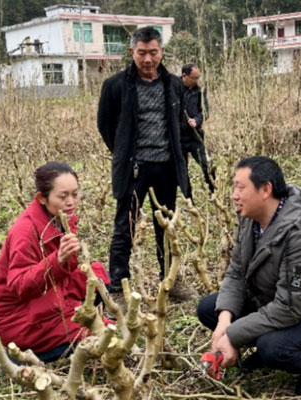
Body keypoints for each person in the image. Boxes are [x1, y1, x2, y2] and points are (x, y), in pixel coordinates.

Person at [196, 156, 301, 396]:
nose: (234, 195)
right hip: (272, 300)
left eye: (240, 187)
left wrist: (232, 336)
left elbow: (290, 307)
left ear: (266, 189)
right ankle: (264, 349)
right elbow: (237, 271)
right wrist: (224, 322)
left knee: (273, 346)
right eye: (233, 187)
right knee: (210, 308)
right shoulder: (251, 220)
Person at [97, 27, 194, 299]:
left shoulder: (174, 85)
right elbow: (106, 126)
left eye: (153, 52)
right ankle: (118, 285)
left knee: (166, 226)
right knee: (124, 226)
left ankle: (170, 280)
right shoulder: (115, 86)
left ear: (162, 52)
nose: (148, 59)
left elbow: (180, 127)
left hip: (166, 169)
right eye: (142, 53)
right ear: (132, 52)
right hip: (134, 169)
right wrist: (124, 153)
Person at [0, 162, 111, 362]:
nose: (71, 202)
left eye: (75, 194)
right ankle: (21, 354)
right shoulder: (25, 231)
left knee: (100, 279)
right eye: (63, 196)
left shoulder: (60, 218)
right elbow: (19, 286)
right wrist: (57, 260)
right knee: (102, 335)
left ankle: (67, 325)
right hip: (16, 316)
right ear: (42, 198)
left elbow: (68, 271)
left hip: (48, 292)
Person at [180, 62, 215, 198]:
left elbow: (205, 111)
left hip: (195, 136)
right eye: (194, 78)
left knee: (208, 164)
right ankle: (188, 200)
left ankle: (214, 192)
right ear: (184, 76)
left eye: (198, 77)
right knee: (182, 172)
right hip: (179, 138)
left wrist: (197, 120)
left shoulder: (200, 90)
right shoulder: (174, 88)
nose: (197, 81)